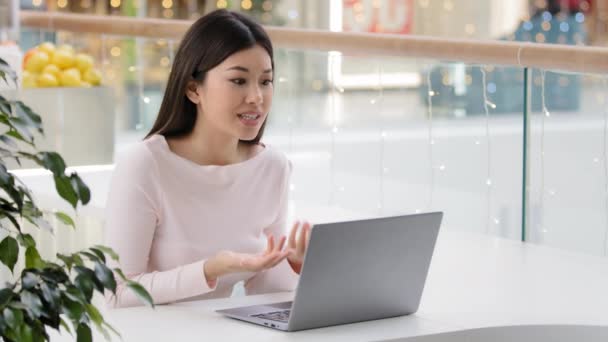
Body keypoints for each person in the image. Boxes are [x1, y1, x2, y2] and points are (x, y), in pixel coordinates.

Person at [104, 9, 311, 308]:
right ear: (193, 89)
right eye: (239, 81)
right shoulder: (145, 164)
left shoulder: (272, 167)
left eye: (265, 81)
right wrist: (208, 270)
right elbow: (118, 293)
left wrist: (294, 265)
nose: (256, 97)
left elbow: (267, 290)